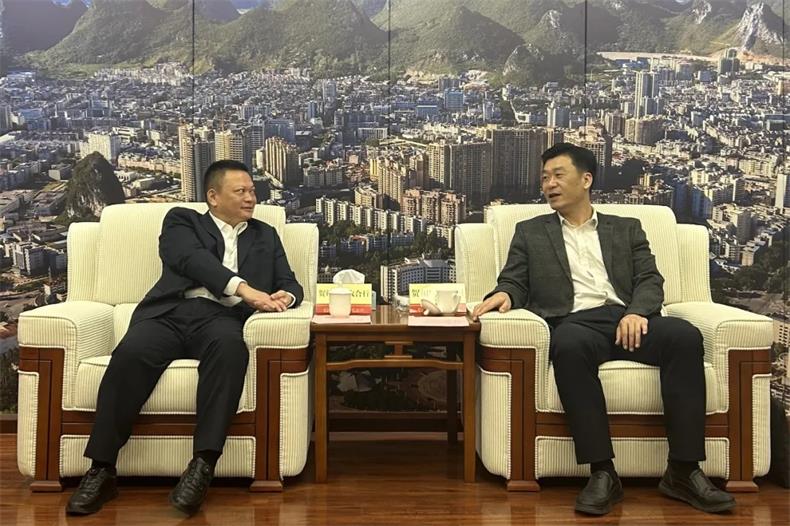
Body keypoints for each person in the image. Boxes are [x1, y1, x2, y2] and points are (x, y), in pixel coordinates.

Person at [472, 143, 735, 515]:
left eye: (558, 175)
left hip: (629, 320)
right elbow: (514, 280)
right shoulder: (530, 232)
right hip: (575, 323)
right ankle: (602, 472)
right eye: (544, 178)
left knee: (684, 337)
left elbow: (650, 280)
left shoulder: (626, 229)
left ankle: (683, 470)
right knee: (568, 345)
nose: (549, 184)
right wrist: (504, 294)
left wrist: (637, 312)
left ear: (586, 179)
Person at [66, 160, 303, 516]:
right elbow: (192, 260)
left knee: (230, 351)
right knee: (130, 354)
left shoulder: (265, 235)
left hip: (223, 319)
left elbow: (289, 281)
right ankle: (101, 469)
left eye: (253, 191)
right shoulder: (182, 221)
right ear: (213, 196)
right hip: (170, 313)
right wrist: (246, 290)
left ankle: (202, 465)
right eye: (240, 191)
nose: (251, 198)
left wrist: (287, 297)